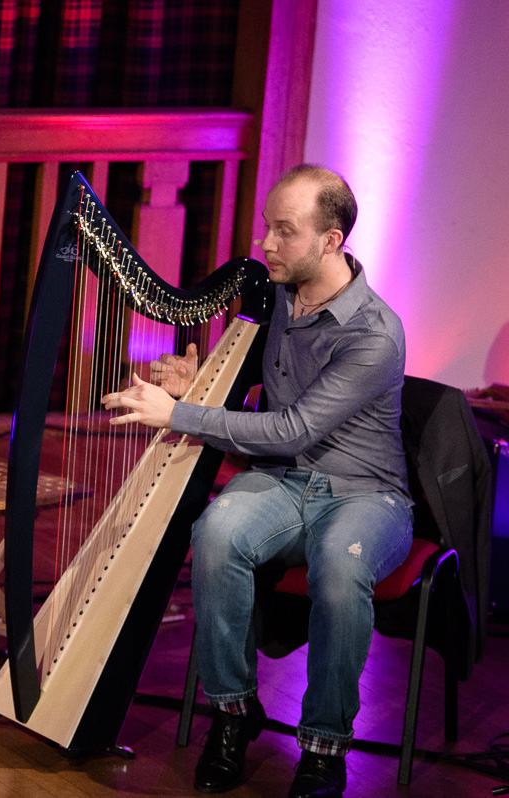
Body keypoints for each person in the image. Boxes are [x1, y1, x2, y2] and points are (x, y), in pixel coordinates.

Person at [102, 165, 411, 798]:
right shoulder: (275, 298)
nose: (266, 244)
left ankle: (324, 747)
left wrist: (180, 415)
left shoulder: (373, 334)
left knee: (338, 564)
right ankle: (235, 714)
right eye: (266, 227)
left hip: (365, 493)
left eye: (284, 232)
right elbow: (262, 405)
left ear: (331, 241)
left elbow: (294, 427)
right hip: (285, 483)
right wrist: (197, 386)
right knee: (216, 533)